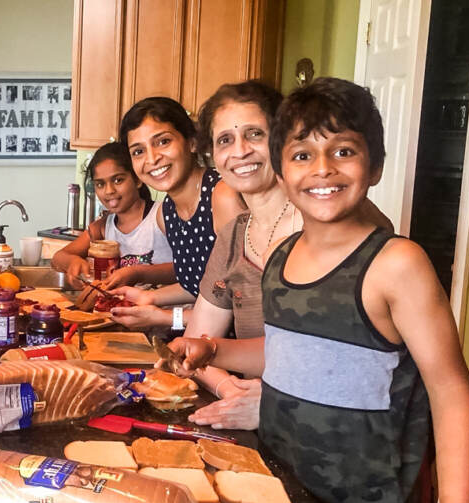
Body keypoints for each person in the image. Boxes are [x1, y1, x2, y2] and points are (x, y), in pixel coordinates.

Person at [167, 78, 469, 503]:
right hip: (290, 502)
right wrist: (214, 347)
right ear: (283, 173)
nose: (323, 169)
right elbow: (290, 356)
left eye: (344, 151)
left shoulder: (395, 264)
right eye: (304, 155)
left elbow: (451, 389)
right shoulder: (284, 256)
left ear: (375, 165)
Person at [111, 81, 392, 429]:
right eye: (225, 140)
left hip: (340, 433)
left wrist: (274, 401)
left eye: (254, 134)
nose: (240, 151)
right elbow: (200, 343)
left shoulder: (328, 218)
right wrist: (229, 387)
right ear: (213, 152)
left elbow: (353, 359)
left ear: (281, 141)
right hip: (260, 417)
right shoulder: (233, 237)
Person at [107, 96, 244, 309]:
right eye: (138, 151)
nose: (152, 159)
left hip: (237, 339)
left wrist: (165, 317)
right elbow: (195, 287)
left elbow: (239, 297)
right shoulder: (166, 214)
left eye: (163, 141)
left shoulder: (222, 196)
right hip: (200, 335)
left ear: (191, 142)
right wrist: (148, 299)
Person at [52, 142, 173, 289]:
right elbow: (58, 258)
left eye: (118, 180)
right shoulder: (101, 227)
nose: (109, 191)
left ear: (137, 179)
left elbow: (191, 267)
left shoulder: (162, 215)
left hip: (170, 310)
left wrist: (138, 272)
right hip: (123, 311)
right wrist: (72, 261)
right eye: (100, 184)